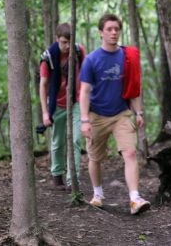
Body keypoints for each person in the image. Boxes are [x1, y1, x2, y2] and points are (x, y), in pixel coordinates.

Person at [79, 13, 150, 215]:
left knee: (130, 152)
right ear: (101, 32)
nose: (113, 33)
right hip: (96, 115)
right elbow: (84, 91)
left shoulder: (127, 56)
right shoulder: (91, 60)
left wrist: (138, 112)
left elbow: (134, 87)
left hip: (121, 113)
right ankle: (98, 194)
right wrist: (84, 120)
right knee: (95, 157)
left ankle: (135, 198)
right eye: (109, 29)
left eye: (116, 29)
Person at [39, 22, 85, 191]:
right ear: (57, 39)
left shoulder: (79, 51)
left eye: (69, 42)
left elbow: (86, 74)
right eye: (63, 42)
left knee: (75, 140)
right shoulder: (48, 57)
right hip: (56, 104)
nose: (67, 46)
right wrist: (45, 113)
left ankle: (73, 179)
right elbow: (43, 85)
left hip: (75, 102)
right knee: (58, 142)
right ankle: (57, 175)